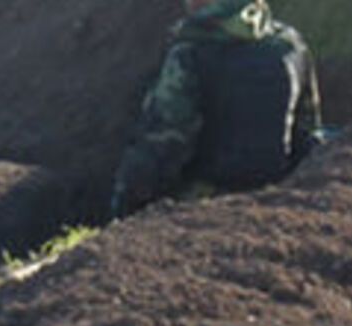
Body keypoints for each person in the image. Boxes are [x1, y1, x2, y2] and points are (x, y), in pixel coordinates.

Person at [111, 0, 322, 218]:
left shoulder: (190, 54)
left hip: (205, 210)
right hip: (276, 205)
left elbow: (163, 145)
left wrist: (125, 202)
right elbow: (308, 136)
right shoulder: (290, 45)